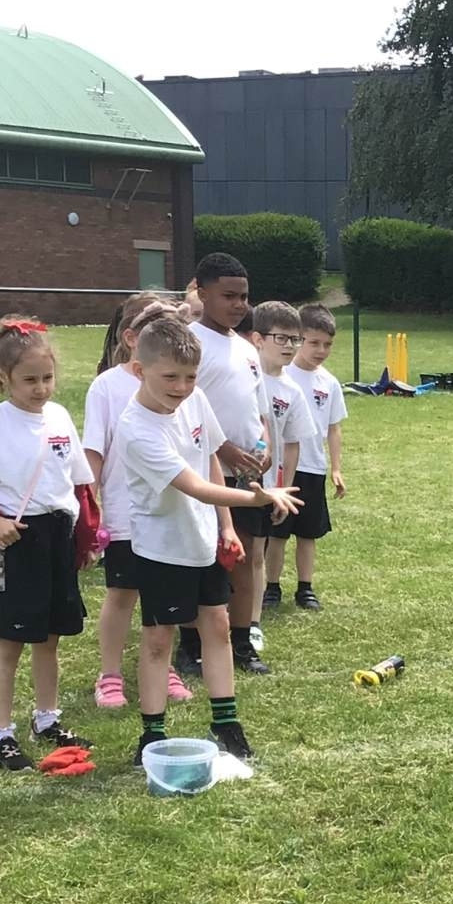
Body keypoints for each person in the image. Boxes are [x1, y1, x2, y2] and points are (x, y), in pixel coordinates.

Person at [116, 314, 301, 765]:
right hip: (162, 550)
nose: (182, 387)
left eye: (190, 376)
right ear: (139, 370)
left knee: (217, 626)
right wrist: (257, 498)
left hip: (203, 542)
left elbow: (210, 461)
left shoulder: (195, 400)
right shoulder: (136, 428)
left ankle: (226, 722)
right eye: (170, 377)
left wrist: (225, 526)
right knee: (158, 640)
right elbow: (194, 486)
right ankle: (152, 735)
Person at [0, 316, 100, 771]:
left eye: (47, 378)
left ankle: (47, 718)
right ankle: (0, 735)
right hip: (14, 541)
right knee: (10, 639)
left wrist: (87, 537)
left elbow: (78, 484)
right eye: (29, 380)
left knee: (50, 637)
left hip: (57, 536)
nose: (41, 388)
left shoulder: (60, 417)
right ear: (3, 376)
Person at [84, 291, 195, 710]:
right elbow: (94, 451)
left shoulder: (181, 387)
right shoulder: (107, 387)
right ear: (133, 339)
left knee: (162, 594)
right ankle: (110, 674)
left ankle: (161, 665)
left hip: (169, 511)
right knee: (122, 592)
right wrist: (91, 510)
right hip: (125, 512)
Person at [184, 253, 274, 675]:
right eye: (229, 296)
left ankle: (241, 641)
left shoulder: (246, 347)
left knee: (245, 553)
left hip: (247, 472)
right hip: (203, 471)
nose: (239, 305)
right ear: (202, 293)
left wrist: (265, 445)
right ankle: (192, 645)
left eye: (244, 296)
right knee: (201, 557)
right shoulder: (189, 344)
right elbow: (184, 409)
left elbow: (258, 409)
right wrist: (223, 451)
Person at [275, 303, 349, 610]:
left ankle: (305, 588)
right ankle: (271, 587)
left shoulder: (328, 382)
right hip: (282, 469)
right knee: (277, 534)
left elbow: (333, 428)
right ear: (298, 338)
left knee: (308, 534)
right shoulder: (282, 376)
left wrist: (336, 468)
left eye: (327, 344)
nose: (321, 350)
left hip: (313, 469)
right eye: (314, 342)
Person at [245, 301, 315, 614]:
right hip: (230, 478)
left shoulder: (292, 390)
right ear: (258, 339)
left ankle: (251, 621)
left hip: (268, 485)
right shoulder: (243, 375)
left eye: (295, 339)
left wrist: (283, 489)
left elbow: (292, 444)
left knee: (256, 554)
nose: (289, 346)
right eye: (282, 338)